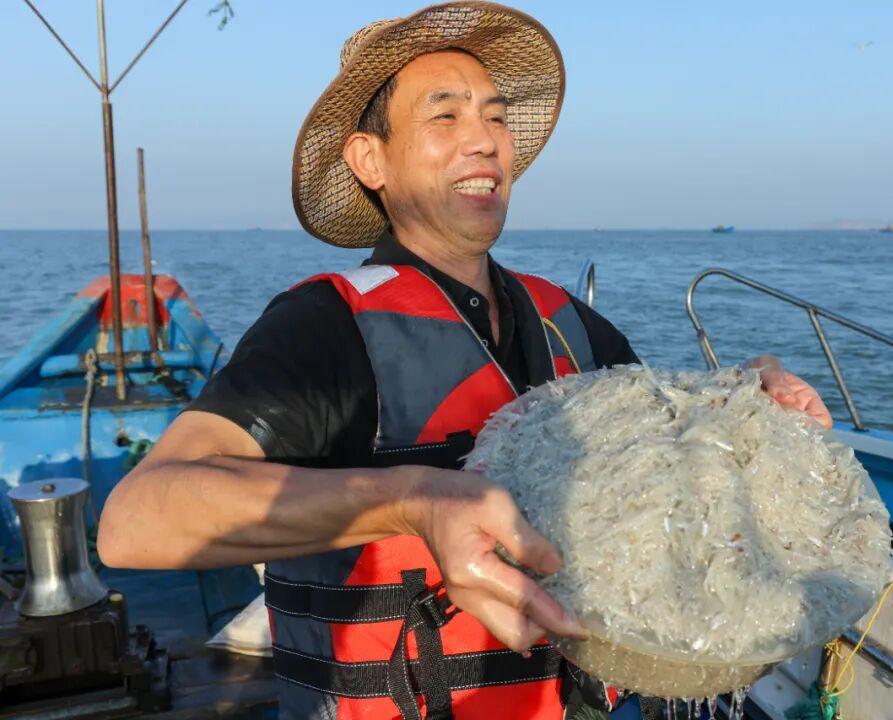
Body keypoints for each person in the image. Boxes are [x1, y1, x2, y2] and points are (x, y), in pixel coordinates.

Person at [98, 3, 831, 719]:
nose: (483, 139)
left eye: (496, 116)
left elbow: (666, 442)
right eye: (445, 116)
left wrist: (744, 391)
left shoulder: (568, 321)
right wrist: (412, 498)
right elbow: (134, 521)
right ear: (370, 159)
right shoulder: (325, 327)